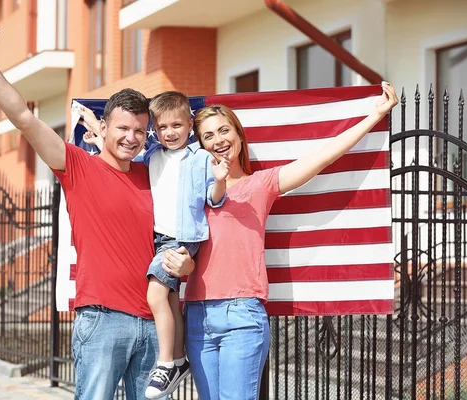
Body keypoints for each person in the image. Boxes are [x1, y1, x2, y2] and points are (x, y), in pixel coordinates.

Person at [0, 16, 194, 400]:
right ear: (106, 127)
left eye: (138, 130)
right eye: (122, 128)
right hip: (101, 321)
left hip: (152, 324)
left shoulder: (154, 174)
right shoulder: (77, 166)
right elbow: (25, 119)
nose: (131, 138)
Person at [161, 82, 399, 399]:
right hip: (196, 318)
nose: (218, 140)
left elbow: (323, 157)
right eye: (208, 135)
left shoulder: (261, 184)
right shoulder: (191, 194)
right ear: (200, 146)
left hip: (241, 317)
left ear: (239, 136)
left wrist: (374, 115)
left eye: (223, 131)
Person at [82, 91, 230, 399]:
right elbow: (121, 155)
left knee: (155, 292)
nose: (170, 133)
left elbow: (214, 201)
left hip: (183, 237)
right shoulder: (151, 157)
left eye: (177, 126)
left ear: (190, 126)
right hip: (161, 238)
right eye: (162, 127)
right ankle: (178, 359)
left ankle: (165, 363)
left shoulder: (200, 158)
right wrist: (99, 139)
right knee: (170, 299)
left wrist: (219, 181)